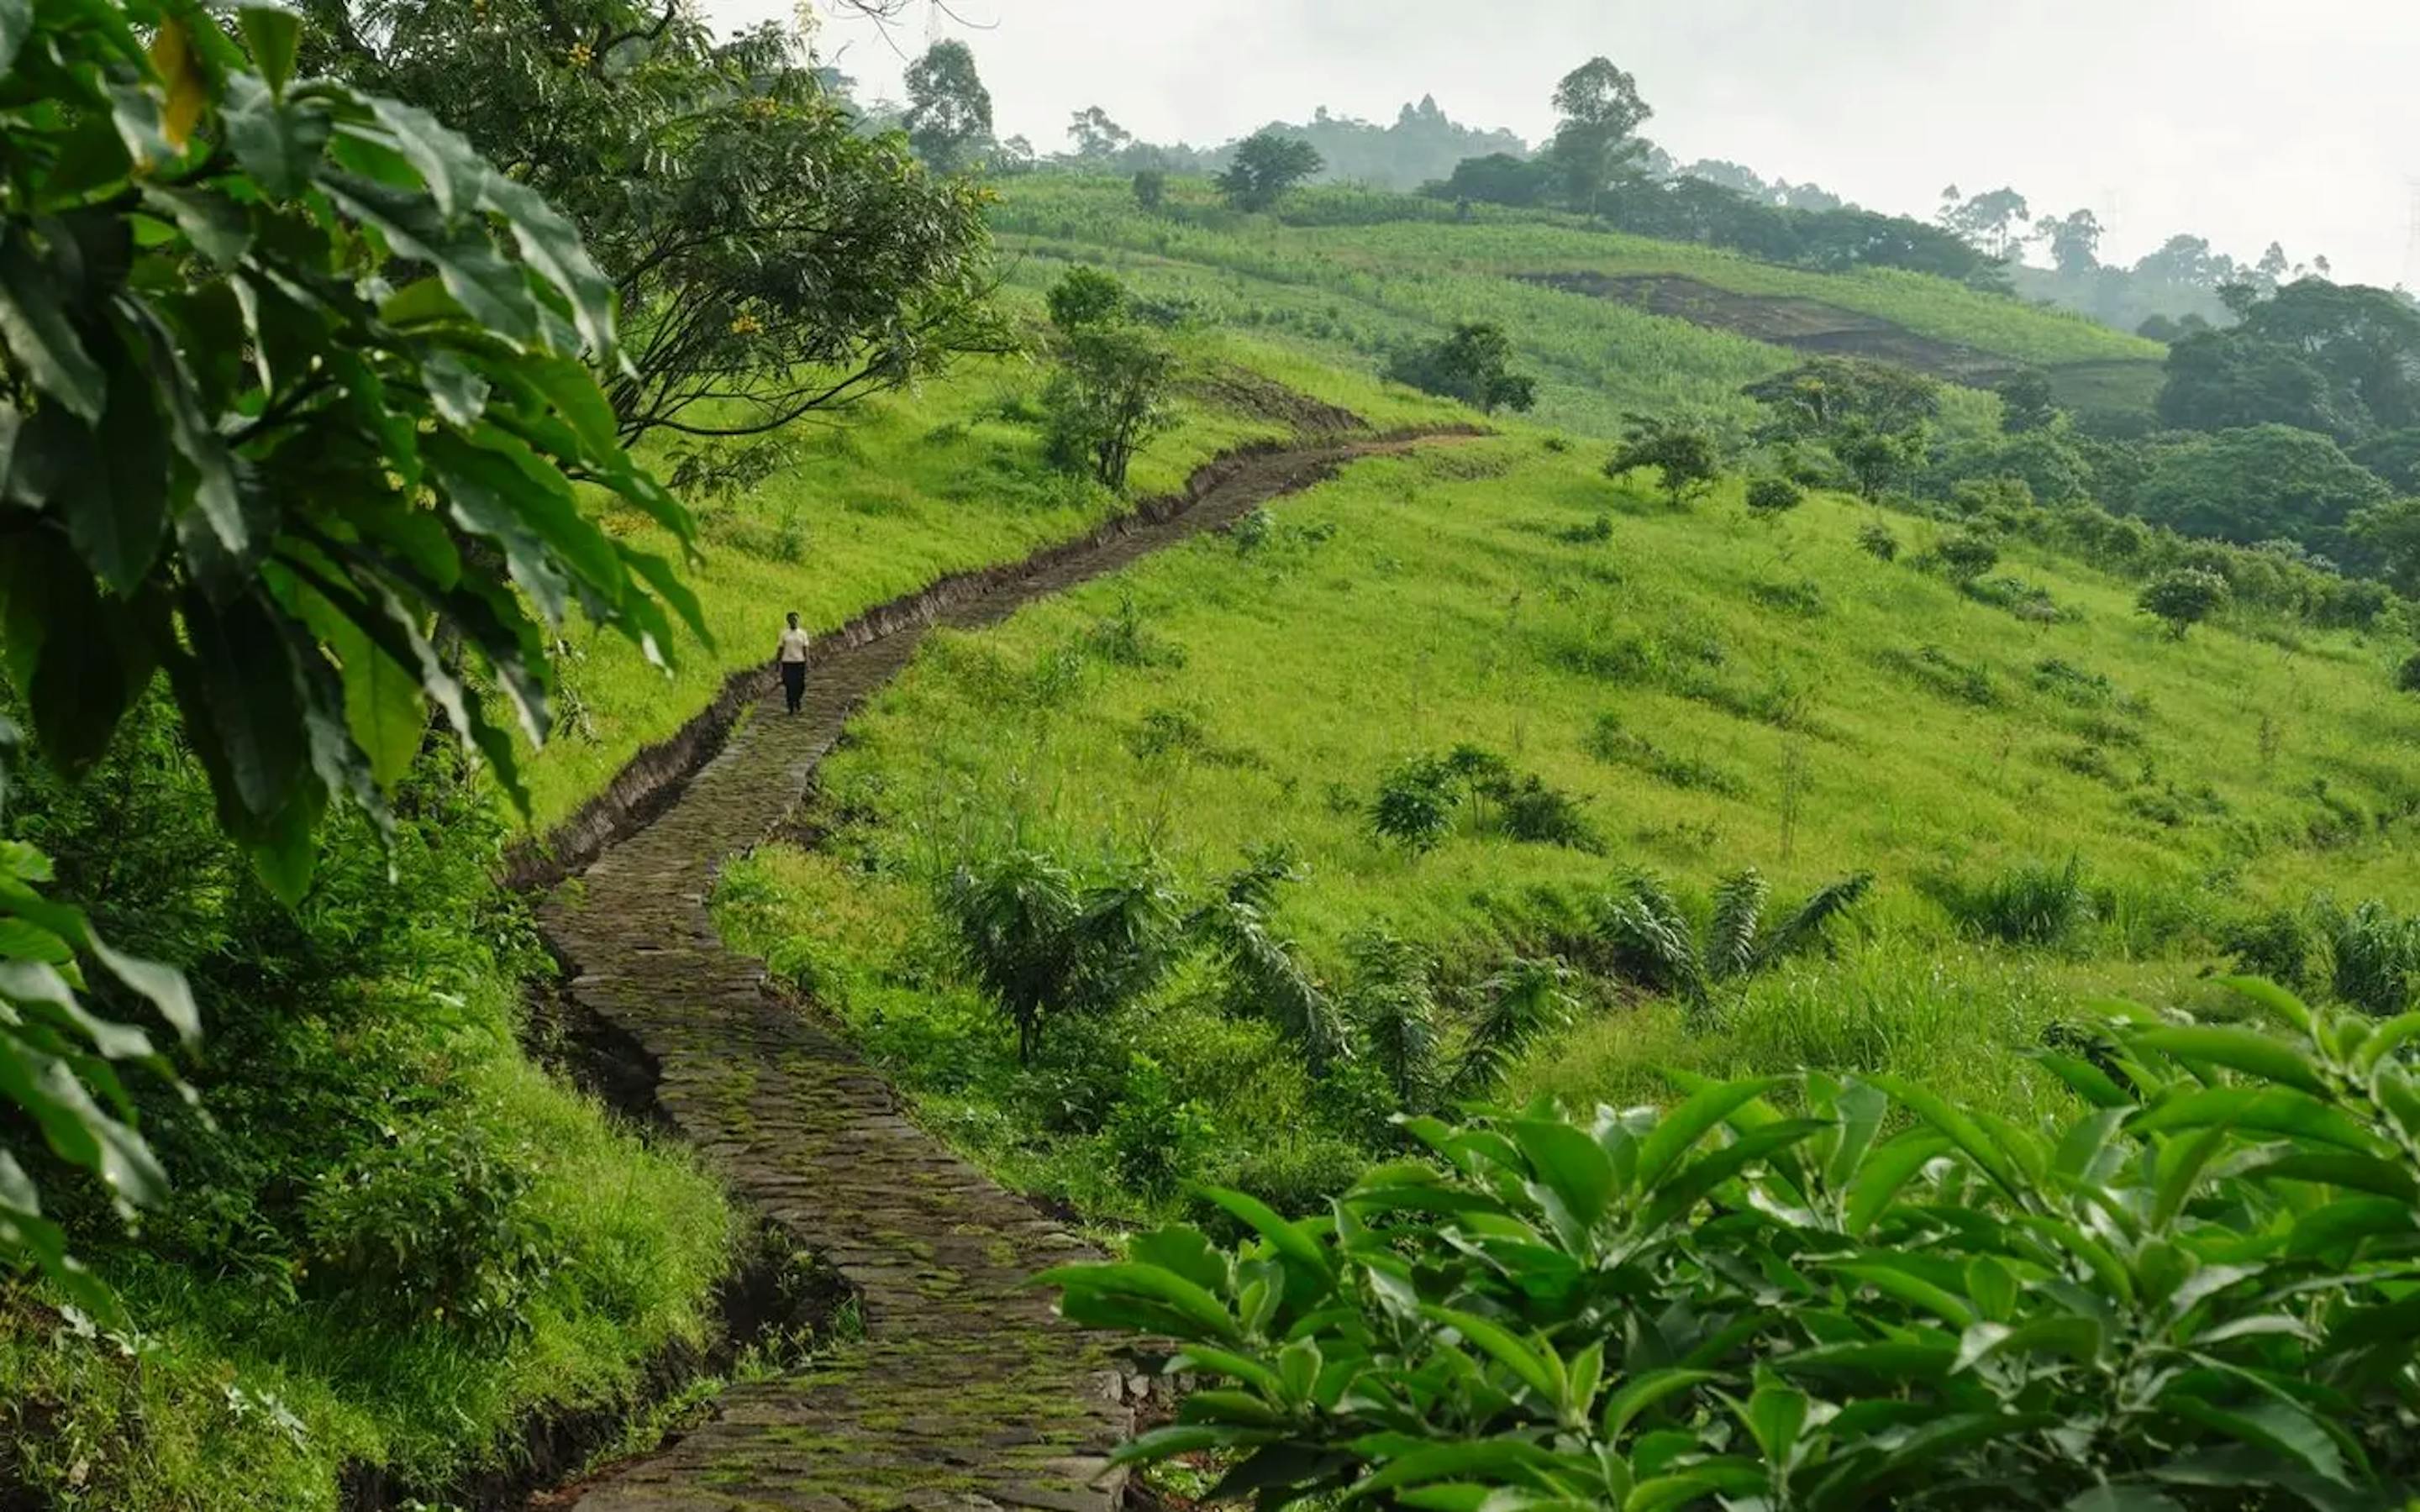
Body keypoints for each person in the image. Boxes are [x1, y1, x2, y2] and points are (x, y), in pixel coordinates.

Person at [775, 612, 812, 714]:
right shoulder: (784, 634)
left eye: (795, 620)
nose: (794, 622)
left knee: (801, 685)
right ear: (788, 621)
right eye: (792, 620)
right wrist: (778, 663)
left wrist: (807, 662)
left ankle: (797, 700)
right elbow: (780, 649)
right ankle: (791, 706)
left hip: (800, 662)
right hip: (787, 663)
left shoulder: (803, 633)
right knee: (789, 685)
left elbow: (806, 649)